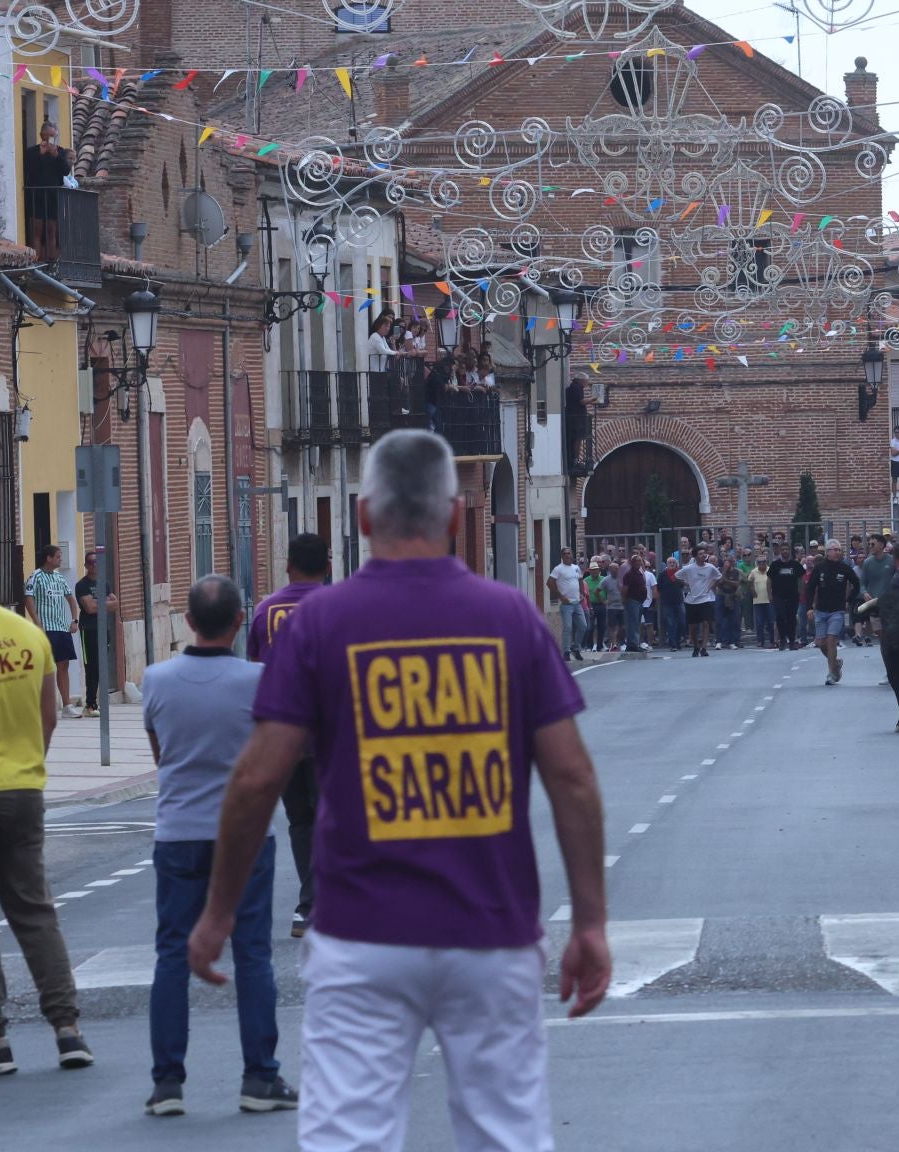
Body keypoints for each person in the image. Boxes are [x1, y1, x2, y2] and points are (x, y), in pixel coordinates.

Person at [187, 429, 609, 1150]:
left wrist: (219, 910)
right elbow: (570, 776)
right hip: (491, 930)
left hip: (361, 931)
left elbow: (257, 779)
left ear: (361, 516)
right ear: (455, 516)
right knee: (505, 1134)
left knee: (348, 1136)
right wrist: (591, 922)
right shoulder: (510, 618)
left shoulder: (320, 624)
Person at [142, 576, 295, 1117]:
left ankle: (167, 1083)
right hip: (248, 834)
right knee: (253, 954)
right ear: (239, 621)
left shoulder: (156, 679)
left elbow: (161, 754)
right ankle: (260, 1076)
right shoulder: (259, 681)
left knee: (171, 953)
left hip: (178, 832)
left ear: (188, 621)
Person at [0, 556, 92, 1076]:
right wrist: (29, 767)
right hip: (24, 788)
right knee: (34, 910)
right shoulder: (30, 637)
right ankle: (67, 1028)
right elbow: (49, 717)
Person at [249, 533, 330, 940]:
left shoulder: (265, 610)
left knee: (300, 819)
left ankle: (309, 906)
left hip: (281, 735)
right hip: (328, 734)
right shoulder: (338, 608)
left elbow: (256, 667)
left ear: (287, 566)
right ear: (328, 567)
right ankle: (323, 902)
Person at [24, 544, 79, 719]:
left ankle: (67, 706)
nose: (60, 559)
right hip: (46, 629)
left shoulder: (59, 577)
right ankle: (40, 706)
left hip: (62, 628)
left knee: (64, 665)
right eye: (58, 556)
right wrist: (37, 622)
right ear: (48, 558)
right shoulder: (35, 576)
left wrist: (74, 620)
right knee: (44, 667)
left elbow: (71, 599)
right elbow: (28, 599)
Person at [804, 541, 861, 686]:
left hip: (837, 611)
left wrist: (849, 600)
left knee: (831, 640)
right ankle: (835, 662)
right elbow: (810, 588)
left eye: (839, 550)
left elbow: (856, 584)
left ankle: (831, 673)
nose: (838, 552)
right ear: (827, 552)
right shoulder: (819, 568)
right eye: (835, 550)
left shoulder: (845, 568)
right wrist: (809, 607)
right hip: (821, 610)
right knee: (821, 643)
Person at [23, 120, 71, 261]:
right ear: (41, 135)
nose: (49, 139)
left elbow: (66, 171)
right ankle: (36, 263)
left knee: (52, 232)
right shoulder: (32, 152)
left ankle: (52, 264)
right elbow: (30, 171)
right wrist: (40, 154)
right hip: (36, 196)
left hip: (53, 196)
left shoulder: (60, 152)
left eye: (52, 136)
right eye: (47, 135)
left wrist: (56, 156)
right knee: (36, 232)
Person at [73, 551, 115, 715]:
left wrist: (97, 602)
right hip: (88, 630)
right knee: (91, 667)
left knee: (102, 666)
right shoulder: (82, 585)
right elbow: (89, 608)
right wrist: (105, 602)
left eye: (97, 562)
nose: (95, 565)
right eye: (91, 562)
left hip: (104, 629)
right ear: (86, 565)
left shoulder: (104, 583)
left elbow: (116, 604)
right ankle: (90, 704)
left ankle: (100, 701)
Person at [545, 546, 586, 662]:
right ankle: (566, 651)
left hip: (577, 603)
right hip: (566, 604)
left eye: (569, 553)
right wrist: (560, 597)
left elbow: (580, 580)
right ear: (562, 556)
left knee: (583, 626)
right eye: (565, 554)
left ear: (572, 555)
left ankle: (576, 648)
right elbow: (549, 583)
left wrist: (582, 593)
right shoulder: (558, 569)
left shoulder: (576, 568)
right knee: (568, 627)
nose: (567, 555)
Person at [856, 534, 893, 644]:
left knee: (890, 631)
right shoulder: (867, 562)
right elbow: (862, 583)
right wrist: (864, 592)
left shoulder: (892, 560)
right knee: (879, 632)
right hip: (873, 603)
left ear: (881, 545)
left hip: (889, 603)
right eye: (869, 544)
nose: (870, 546)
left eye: (873, 544)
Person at [767, 543, 805, 651]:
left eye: (787, 549)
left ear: (790, 551)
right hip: (778, 596)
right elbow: (769, 580)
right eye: (783, 549)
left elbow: (802, 578)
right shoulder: (775, 565)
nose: (785, 551)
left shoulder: (795, 564)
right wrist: (769, 594)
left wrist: (801, 591)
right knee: (780, 617)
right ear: (780, 551)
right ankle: (782, 640)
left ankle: (792, 641)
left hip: (793, 595)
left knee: (791, 618)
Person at [620, 552, 651, 652]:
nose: (638, 563)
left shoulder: (640, 573)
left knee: (636, 623)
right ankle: (633, 644)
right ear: (632, 563)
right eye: (636, 561)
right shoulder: (629, 574)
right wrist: (624, 600)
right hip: (632, 601)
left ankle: (632, 644)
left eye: (640, 561)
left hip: (640, 601)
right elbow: (625, 589)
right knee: (633, 623)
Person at [655, 557, 686, 652]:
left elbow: (683, 585)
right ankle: (673, 644)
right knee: (670, 623)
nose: (672, 564)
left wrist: (677, 579)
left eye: (673, 562)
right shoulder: (662, 575)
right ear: (667, 564)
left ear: (676, 564)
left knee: (682, 622)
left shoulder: (679, 574)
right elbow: (658, 588)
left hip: (679, 601)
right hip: (667, 602)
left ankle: (678, 640)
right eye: (670, 562)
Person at [713, 560, 744, 650]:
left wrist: (725, 581)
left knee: (733, 620)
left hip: (733, 597)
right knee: (719, 620)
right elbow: (718, 583)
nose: (728, 564)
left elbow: (737, 584)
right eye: (726, 562)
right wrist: (724, 572)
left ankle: (732, 642)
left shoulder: (737, 572)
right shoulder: (719, 570)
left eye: (730, 562)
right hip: (721, 596)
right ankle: (719, 641)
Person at [749, 550, 774, 648]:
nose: (762, 563)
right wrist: (752, 590)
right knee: (759, 623)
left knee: (771, 622)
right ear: (757, 563)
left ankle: (772, 640)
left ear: (766, 562)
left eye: (763, 562)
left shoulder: (770, 570)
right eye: (760, 562)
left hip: (769, 600)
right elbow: (749, 581)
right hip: (758, 601)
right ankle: (760, 641)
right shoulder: (753, 572)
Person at [583, 559, 609, 654]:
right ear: (590, 571)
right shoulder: (585, 580)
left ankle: (600, 646)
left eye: (597, 569)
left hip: (601, 605)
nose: (595, 571)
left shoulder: (604, 579)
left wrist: (607, 601)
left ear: (599, 570)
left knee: (602, 626)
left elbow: (608, 591)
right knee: (590, 627)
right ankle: (589, 645)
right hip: (591, 605)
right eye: (593, 570)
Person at [600, 556, 625, 651]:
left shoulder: (623, 579)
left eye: (617, 568)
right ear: (610, 570)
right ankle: (613, 644)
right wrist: (604, 601)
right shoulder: (606, 580)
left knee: (623, 626)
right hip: (612, 607)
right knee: (612, 626)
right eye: (614, 569)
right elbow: (597, 591)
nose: (616, 570)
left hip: (622, 606)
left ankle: (620, 641)